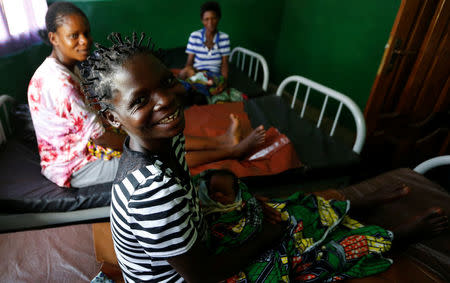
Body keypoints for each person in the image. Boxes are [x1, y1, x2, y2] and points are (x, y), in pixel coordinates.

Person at [80, 32, 448, 283]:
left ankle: (359, 202)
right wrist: (267, 238)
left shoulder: (157, 141)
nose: (165, 101)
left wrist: (217, 174)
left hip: (194, 241)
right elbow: (201, 276)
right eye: (141, 100)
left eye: (164, 83)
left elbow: (184, 169)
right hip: (189, 276)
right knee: (309, 258)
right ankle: (394, 236)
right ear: (113, 118)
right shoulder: (151, 191)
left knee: (291, 205)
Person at [28, 2, 125, 188]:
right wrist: (143, 145)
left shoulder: (66, 67)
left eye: (86, 33)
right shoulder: (59, 82)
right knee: (151, 161)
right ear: (53, 38)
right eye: (74, 36)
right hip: (74, 167)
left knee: (147, 135)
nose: (85, 41)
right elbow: (101, 137)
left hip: (85, 149)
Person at [179, 1, 230, 95]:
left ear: (218, 18)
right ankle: (203, 89)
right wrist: (188, 72)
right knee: (186, 71)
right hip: (198, 74)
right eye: (206, 19)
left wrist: (225, 82)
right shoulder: (195, 36)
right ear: (202, 20)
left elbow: (225, 64)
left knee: (193, 85)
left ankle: (201, 90)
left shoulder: (224, 38)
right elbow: (189, 63)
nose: (210, 22)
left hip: (214, 76)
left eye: (213, 18)